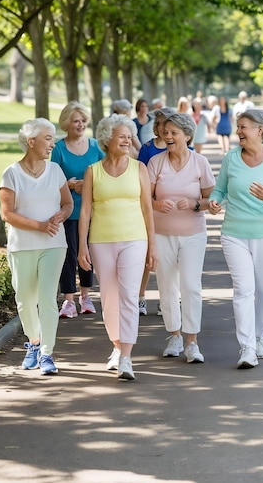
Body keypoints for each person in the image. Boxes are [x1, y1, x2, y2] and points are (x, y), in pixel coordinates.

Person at [209, 109, 263, 369]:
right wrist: (214, 200)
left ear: (260, 130)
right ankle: (246, 347)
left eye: (243, 127)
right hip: (234, 233)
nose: (238, 132)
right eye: (237, 127)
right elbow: (220, 189)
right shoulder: (231, 158)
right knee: (243, 289)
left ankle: (260, 338)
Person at [78, 114, 158, 380]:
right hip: (101, 241)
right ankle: (116, 346)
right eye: (122, 136)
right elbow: (86, 211)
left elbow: (148, 210)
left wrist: (152, 247)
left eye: (129, 135)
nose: (127, 140)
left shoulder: (139, 169)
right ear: (107, 138)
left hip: (135, 240)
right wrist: (82, 247)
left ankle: (126, 356)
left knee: (128, 296)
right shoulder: (93, 171)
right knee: (109, 298)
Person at [0, 118, 73, 375]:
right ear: (32, 142)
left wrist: (60, 216)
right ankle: (33, 342)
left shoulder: (55, 171)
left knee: (47, 298)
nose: (53, 144)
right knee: (25, 300)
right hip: (22, 246)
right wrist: (39, 226)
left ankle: (47, 354)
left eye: (53, 138)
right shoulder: (11, 173)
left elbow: (67, 204)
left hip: (54, 244)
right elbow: (7, 214)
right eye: (48, 138)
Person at [147, 113, 215, 363]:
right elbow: (146, 199)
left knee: (190, 286)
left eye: (174, 133)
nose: (168, 137)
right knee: (166, 286)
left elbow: (211, 199)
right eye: (165, 133)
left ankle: (192, 341)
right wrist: (157, 204)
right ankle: (174, 335)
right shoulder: (156, 162)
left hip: (193, 234)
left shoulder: (200, 163)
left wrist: (197, 204)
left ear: (187, 136)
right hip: (162, 233)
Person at [51, 101, 104, 319]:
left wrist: (91, 185)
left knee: (88, 253)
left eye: (83, 120)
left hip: (93, 212)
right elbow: (51, 179)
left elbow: (106, 174)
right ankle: (69, 301)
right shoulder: (58, 149)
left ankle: (86, 296)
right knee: (69, 255)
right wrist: (70, 185)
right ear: (66, 124)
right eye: (75, 121)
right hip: (68, 212)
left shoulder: (96, 147)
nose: (80, 124)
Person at [137, 106, 176, 316]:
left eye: (164, 124)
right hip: (151, 209)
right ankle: (140, 297)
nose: (160, 128)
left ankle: (166, 299)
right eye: (158, 124)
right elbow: (140, 181)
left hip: (174, 212)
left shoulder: (181, 146)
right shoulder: (147, 148)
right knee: (147, 257)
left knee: (169, 259)